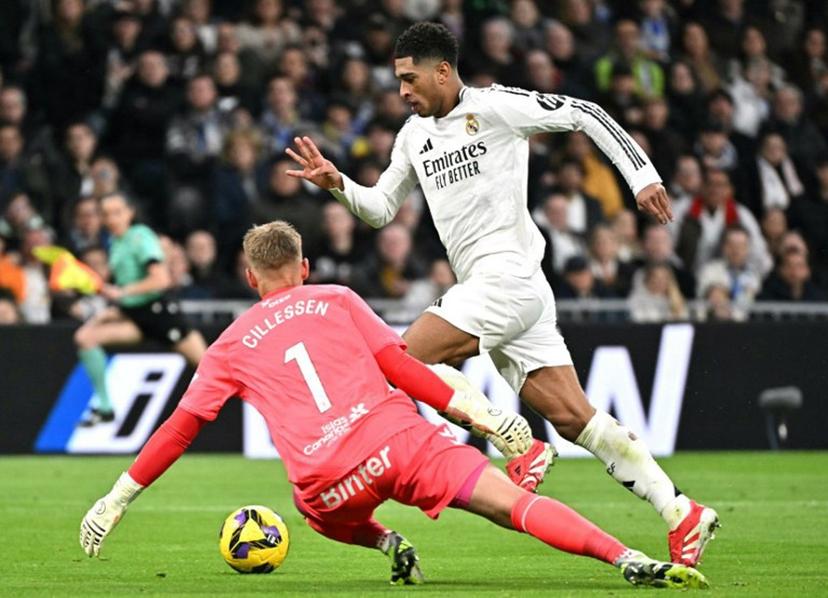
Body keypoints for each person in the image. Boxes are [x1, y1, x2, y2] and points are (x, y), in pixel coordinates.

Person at [285, 22, 718, 567]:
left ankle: (516, 440)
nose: (402, 91)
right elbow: (380, 210)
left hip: (508, 275)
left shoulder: (495, 107)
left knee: (403, 359)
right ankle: (681, 511)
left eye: (410, 78)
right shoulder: (412, 137)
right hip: (503, 289)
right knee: (575, 417)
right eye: (398, 80)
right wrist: (338, 184)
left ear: (443, 71)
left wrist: (642, 177)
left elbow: (586, 112)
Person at [79, 221, 708, 591]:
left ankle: (383, 543)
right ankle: (627, 560)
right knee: (510, 506)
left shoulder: (226, 347)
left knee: (314, 508)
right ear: (304, 266)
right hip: (398, 444)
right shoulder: (335, 298)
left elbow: (180, 429)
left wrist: (115, 499)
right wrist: (483, 418)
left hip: (326, 483)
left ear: (251, 279)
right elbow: (404, 369)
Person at [73, 192, 207, 426]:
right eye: (106, 214)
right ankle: (105, 408)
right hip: (133, 314)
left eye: (117, 212)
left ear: (130, 213)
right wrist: (110, 295)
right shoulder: (115, 242)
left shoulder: (140, 237)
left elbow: (161, 280)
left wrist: (122, 293)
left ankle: (267, 402)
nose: (111, 218)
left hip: (159, 314)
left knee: (209, 367)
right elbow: (125, 284)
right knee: (85, 337)